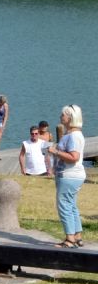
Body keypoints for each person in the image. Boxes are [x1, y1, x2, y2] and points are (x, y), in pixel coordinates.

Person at [47, 104, 85, 247]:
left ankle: (69, 239)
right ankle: (77, 235)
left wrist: (55, 151)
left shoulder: (73, 136)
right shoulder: (75, 134)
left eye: (63, 115)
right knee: (72, 205)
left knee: (64, 205)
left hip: (69, 175)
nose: (60, 117)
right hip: (73, 175)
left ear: (70, 117)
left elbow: (74, 157)